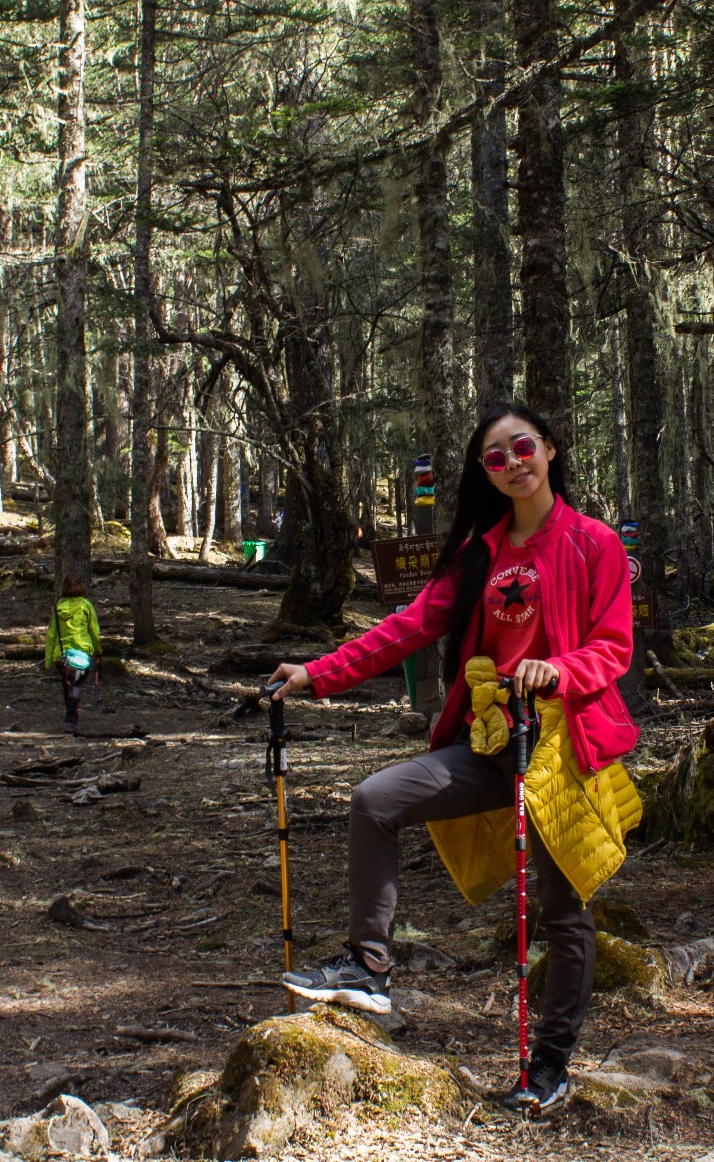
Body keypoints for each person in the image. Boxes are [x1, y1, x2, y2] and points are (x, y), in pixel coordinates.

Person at [266, 402, 642, 1115]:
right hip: (490, 744)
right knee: (376, 800)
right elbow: (405, 628)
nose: (512, 463)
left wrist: (556, 670)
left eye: (522, 446)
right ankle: (369, 965)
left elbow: (613, 646)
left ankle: (551, 1065)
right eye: (495, 457)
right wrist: (318, 672)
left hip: (565, 749)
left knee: (563, 913)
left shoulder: (594, 543)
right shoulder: (479, 555)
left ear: (551, 448)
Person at [43, 574, 102, 734]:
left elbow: (51, 635)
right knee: (76, 686)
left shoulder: (58, 607)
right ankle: (71, 720)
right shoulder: (86, 606)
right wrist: (99, 650)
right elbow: (94, 631)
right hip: (83, 654)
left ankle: (70, 717)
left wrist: (48, 661)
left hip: (62, 656)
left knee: (67, 685)